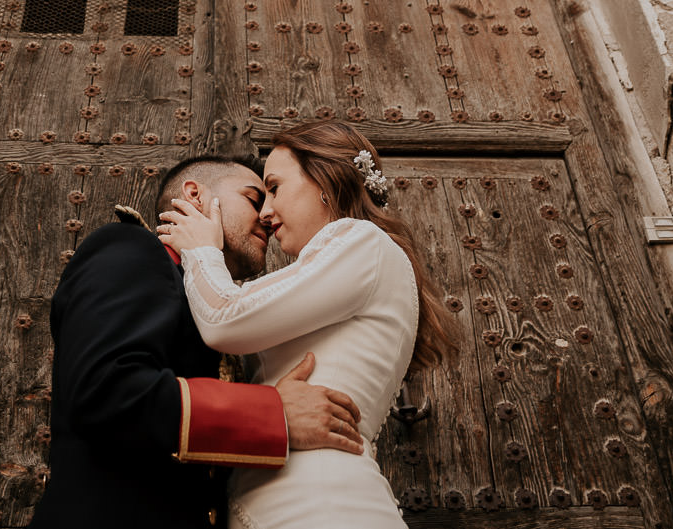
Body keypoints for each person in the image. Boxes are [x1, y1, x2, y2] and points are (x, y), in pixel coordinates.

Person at [29, 155, 366, 529]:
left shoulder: (211, 313)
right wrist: (274, 414)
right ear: (195, 195)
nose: (269, 217)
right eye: (255, 199)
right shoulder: (132, 249)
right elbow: (104, 388)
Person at [159, 123, 453, 529]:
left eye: (275, 188)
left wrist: (201, 250)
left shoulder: (362, 241)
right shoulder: (335, 267)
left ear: (324, 183)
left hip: (322, 506)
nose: (265, 212)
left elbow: (225, 319)